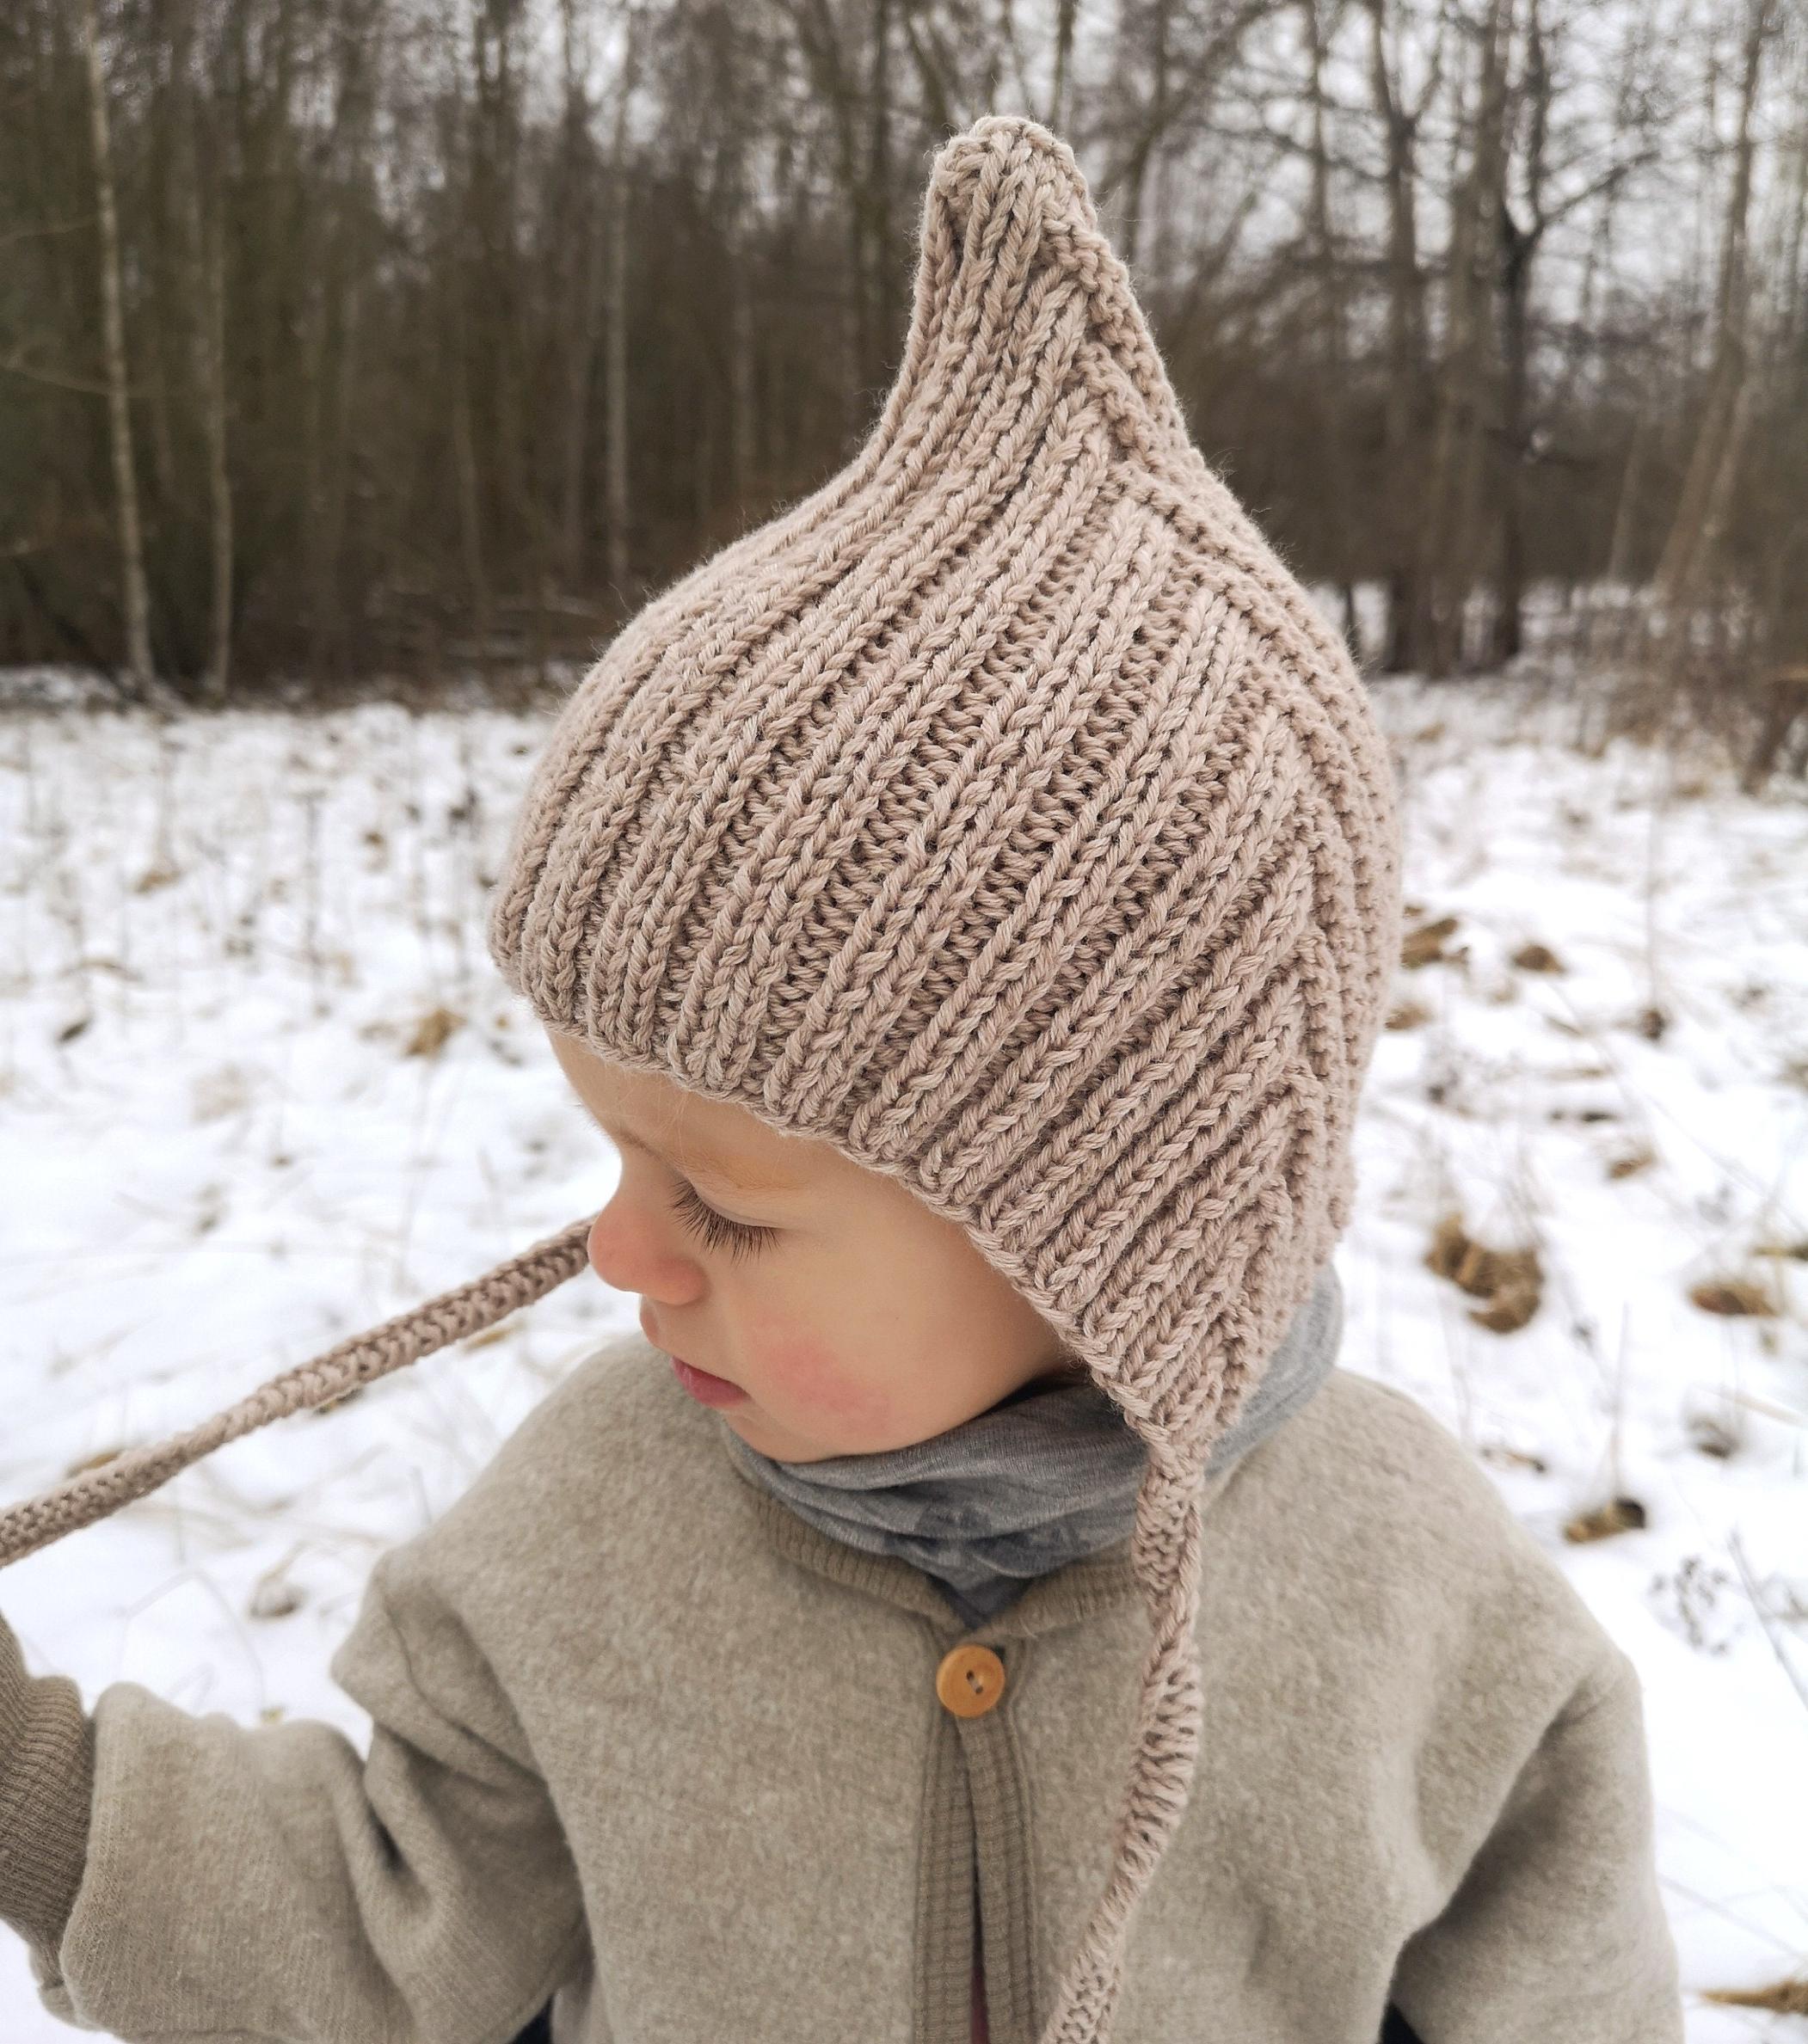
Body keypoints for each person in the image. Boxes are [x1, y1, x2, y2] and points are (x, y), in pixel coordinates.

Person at [0, 114, 1682, 2044]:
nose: (623, 1254)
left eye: (722, 1206)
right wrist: (35, 1792)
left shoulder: (1412, 1597)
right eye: (618, 1155)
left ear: (1097, 1228)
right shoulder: (595, 1529)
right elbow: (378, 1918)